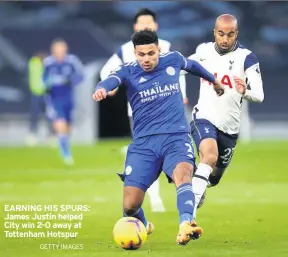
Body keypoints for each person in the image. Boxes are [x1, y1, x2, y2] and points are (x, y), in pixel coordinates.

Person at [93, 29, 224, 245]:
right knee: (130, 206)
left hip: (176, 138)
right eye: (141, 54)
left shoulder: (172, 59)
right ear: (135, 53)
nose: (146, 59)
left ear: (158, 50)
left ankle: (186, 224)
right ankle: (143, 224)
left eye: (151, 54)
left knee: (184, 174)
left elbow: (192, 66)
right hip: (144, 145)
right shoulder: (128, 70)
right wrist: (101, 88)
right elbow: (111, 80)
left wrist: (214, 80)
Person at [100, 8, 188, 213]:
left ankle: (181, 196)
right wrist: (109, 87)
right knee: (148, 158)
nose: (146, 27)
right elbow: (107, 70)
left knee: (173, 158)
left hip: (169, 113)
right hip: (140, 116)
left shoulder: (167, 47)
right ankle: (154, 199)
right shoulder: (125, 51)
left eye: (149, 24)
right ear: (135, 28)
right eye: (142, 25)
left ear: (156, 27)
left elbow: (180, 73)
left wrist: (182, 93)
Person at [182, 14, 264, 217]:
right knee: (209, 156)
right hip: (204, 117)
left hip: (230, 127)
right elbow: (181, 68)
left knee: (213, 178)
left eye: (230, 35)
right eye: (221, 34)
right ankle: (187, 217)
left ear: (236, 34)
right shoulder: (204, 51)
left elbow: (259, 96)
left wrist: (245, 91)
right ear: (214, 33)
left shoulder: (247, 57)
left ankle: (195, 176)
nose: (225, 39)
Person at [43, 38, 84, 165]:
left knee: (68, 127)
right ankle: (66, 153)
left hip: (69, 99)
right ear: (53, 50)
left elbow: (81, 76)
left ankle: (64, 145)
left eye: (62, 48)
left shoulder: (72, 61)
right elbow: (42, 80)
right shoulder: (48, 63)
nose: (60, 51)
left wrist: (71, 80)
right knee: (60, 123)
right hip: (54, 99)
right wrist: (47, 85)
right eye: (57, 49)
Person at [26, 51, 54, 146]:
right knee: (35, 114)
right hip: (36, 93)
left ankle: (51, 135)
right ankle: (33, 134)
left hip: (46, 93)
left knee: (49, 115)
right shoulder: (34, 63)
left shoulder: (47, 65)